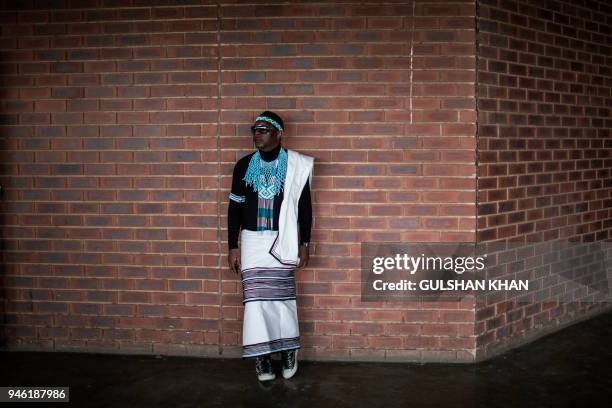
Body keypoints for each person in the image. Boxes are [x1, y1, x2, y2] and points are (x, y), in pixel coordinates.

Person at [227, 111, 314, 381]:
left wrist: (305, 243)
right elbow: (234, 208)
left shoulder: (295, 165)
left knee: (281, 300)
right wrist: (233, 245)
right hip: (252, 241)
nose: (257, 134)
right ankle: (263, 358)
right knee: (256, 303)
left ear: (279, 133)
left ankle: (288, 350)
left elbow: (305, 208)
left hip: (283, 239)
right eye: (255, 129)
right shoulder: (243, 166)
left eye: (263, 130)